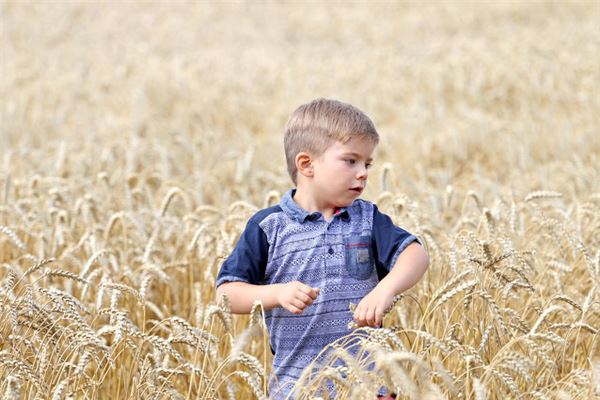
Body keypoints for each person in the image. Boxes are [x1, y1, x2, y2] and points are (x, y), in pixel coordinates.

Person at [215, 98, 429, 399]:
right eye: (350, 160)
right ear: (307, 164)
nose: (363, 172)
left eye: (367, 164)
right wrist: (276, 294)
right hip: (296, 388)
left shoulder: (366, 218)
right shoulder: (269, 227)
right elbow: (226, 295)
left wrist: (386, 289)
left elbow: (415, 254)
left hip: (368, 385)